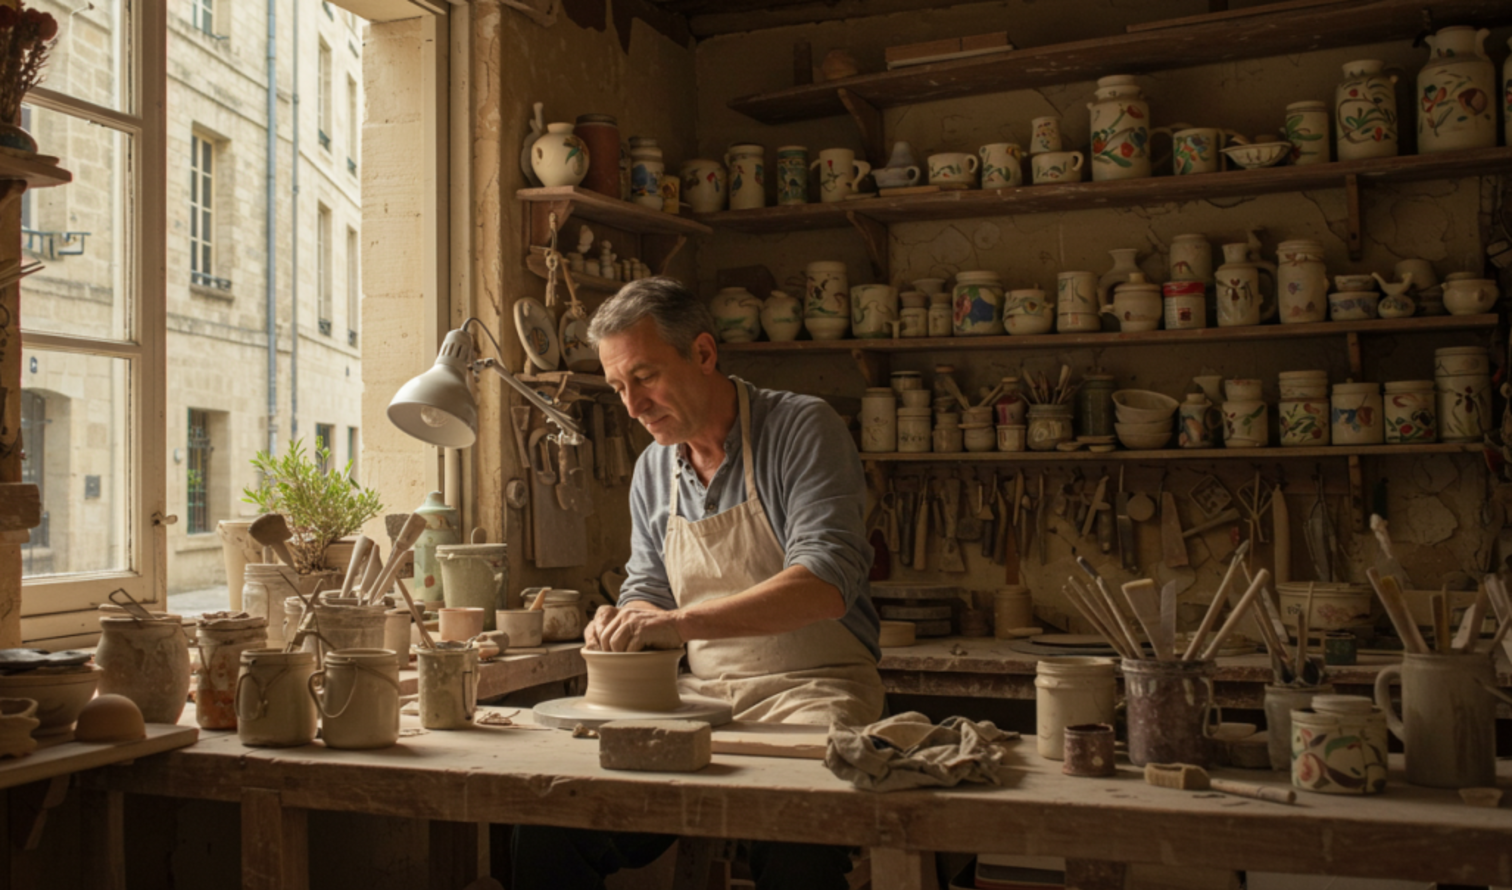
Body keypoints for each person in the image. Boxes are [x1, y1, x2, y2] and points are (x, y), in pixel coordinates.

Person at [509, 277, 884, 890]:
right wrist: (624, 616)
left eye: (645, 377)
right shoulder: (654, 469)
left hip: (814, 694)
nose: (631, 405)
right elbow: (647, 587)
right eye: (617, 387)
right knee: (550, 821)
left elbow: (825, 583)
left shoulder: (801, 429)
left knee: (793, 840)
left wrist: (675, 624)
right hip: (701, 703)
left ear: (704, 354)